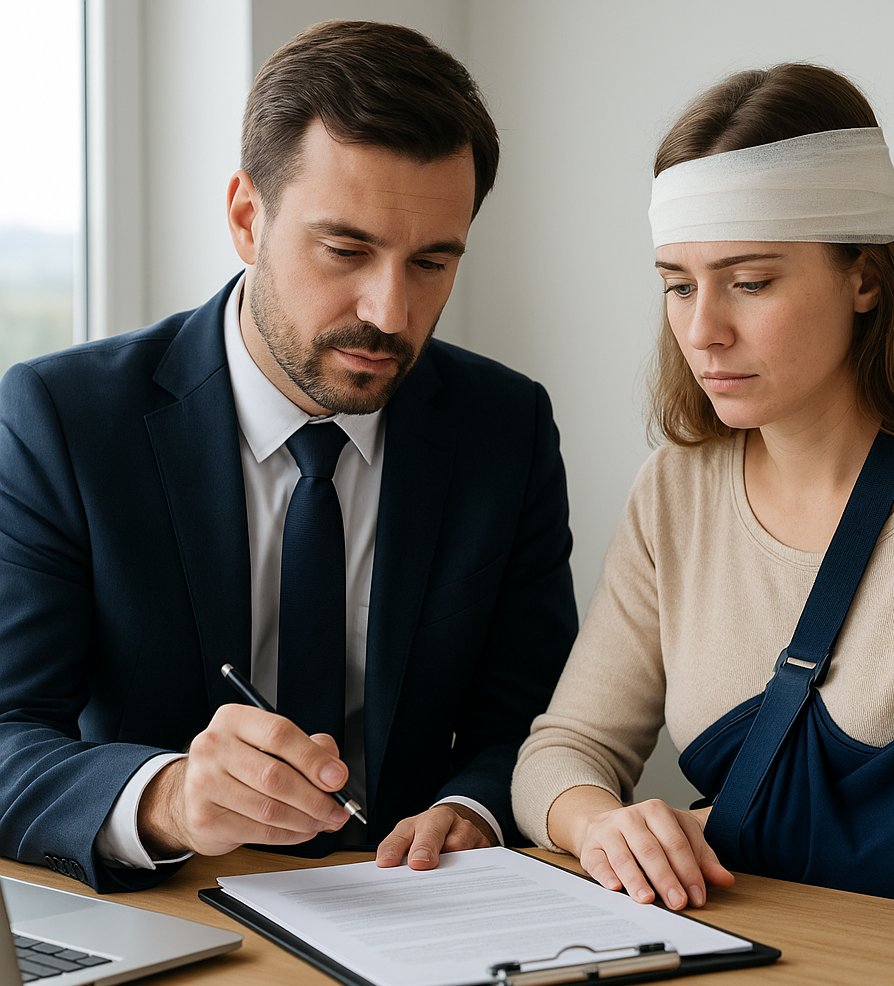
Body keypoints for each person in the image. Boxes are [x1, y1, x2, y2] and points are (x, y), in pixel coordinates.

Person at [0, 20, 577, 894]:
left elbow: (536, 721)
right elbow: (8, 730)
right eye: (345, 250)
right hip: (176, 912)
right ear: (246, 217)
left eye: (431, 262)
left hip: (417, 914)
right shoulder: (63, 419)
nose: (389, 311)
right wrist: (166, 800)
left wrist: (477, 809)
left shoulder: (507, 426)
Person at [512, 63, 894, 916]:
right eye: (678, 285)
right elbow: (564, 748)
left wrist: (726, 833)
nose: (703, 331)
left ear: (864, 276)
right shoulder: (676, 491)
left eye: (749, 282)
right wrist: (602, 826)